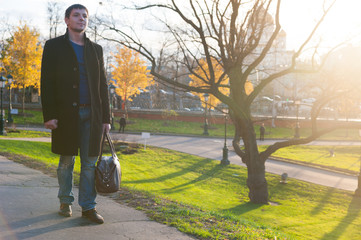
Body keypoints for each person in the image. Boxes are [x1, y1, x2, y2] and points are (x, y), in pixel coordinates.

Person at [41, 4, 110, 224]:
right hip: (65, 115)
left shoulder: (95, 49)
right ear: (67, 20)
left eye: (85, 16)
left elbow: (103, 86)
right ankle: (65, 201)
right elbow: (47, 82)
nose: (81, 19)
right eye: (77, 15)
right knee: (66, 161)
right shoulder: (53, 47)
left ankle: (88, 207)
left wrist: (106, 118)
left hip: (92, 114)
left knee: (89, 163)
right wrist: (49, 115)